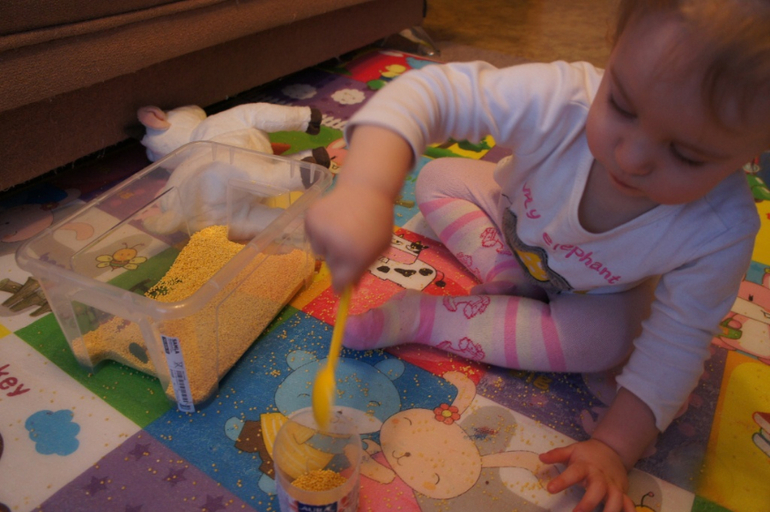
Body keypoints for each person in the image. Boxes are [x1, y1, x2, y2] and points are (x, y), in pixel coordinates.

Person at [305, 0, 770, 510]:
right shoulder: (562, 99)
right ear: (613, 50)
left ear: (755, 151)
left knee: (606, 341)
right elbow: (431, 94)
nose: (632, 157)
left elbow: (677, 346)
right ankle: (509, 275)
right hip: (508, 219)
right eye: (622, 105)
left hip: (596, 294)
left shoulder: (722, 230)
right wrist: (367, 187)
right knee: (437, 178)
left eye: (686, 154)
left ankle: (423, 318)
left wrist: (615, 447)